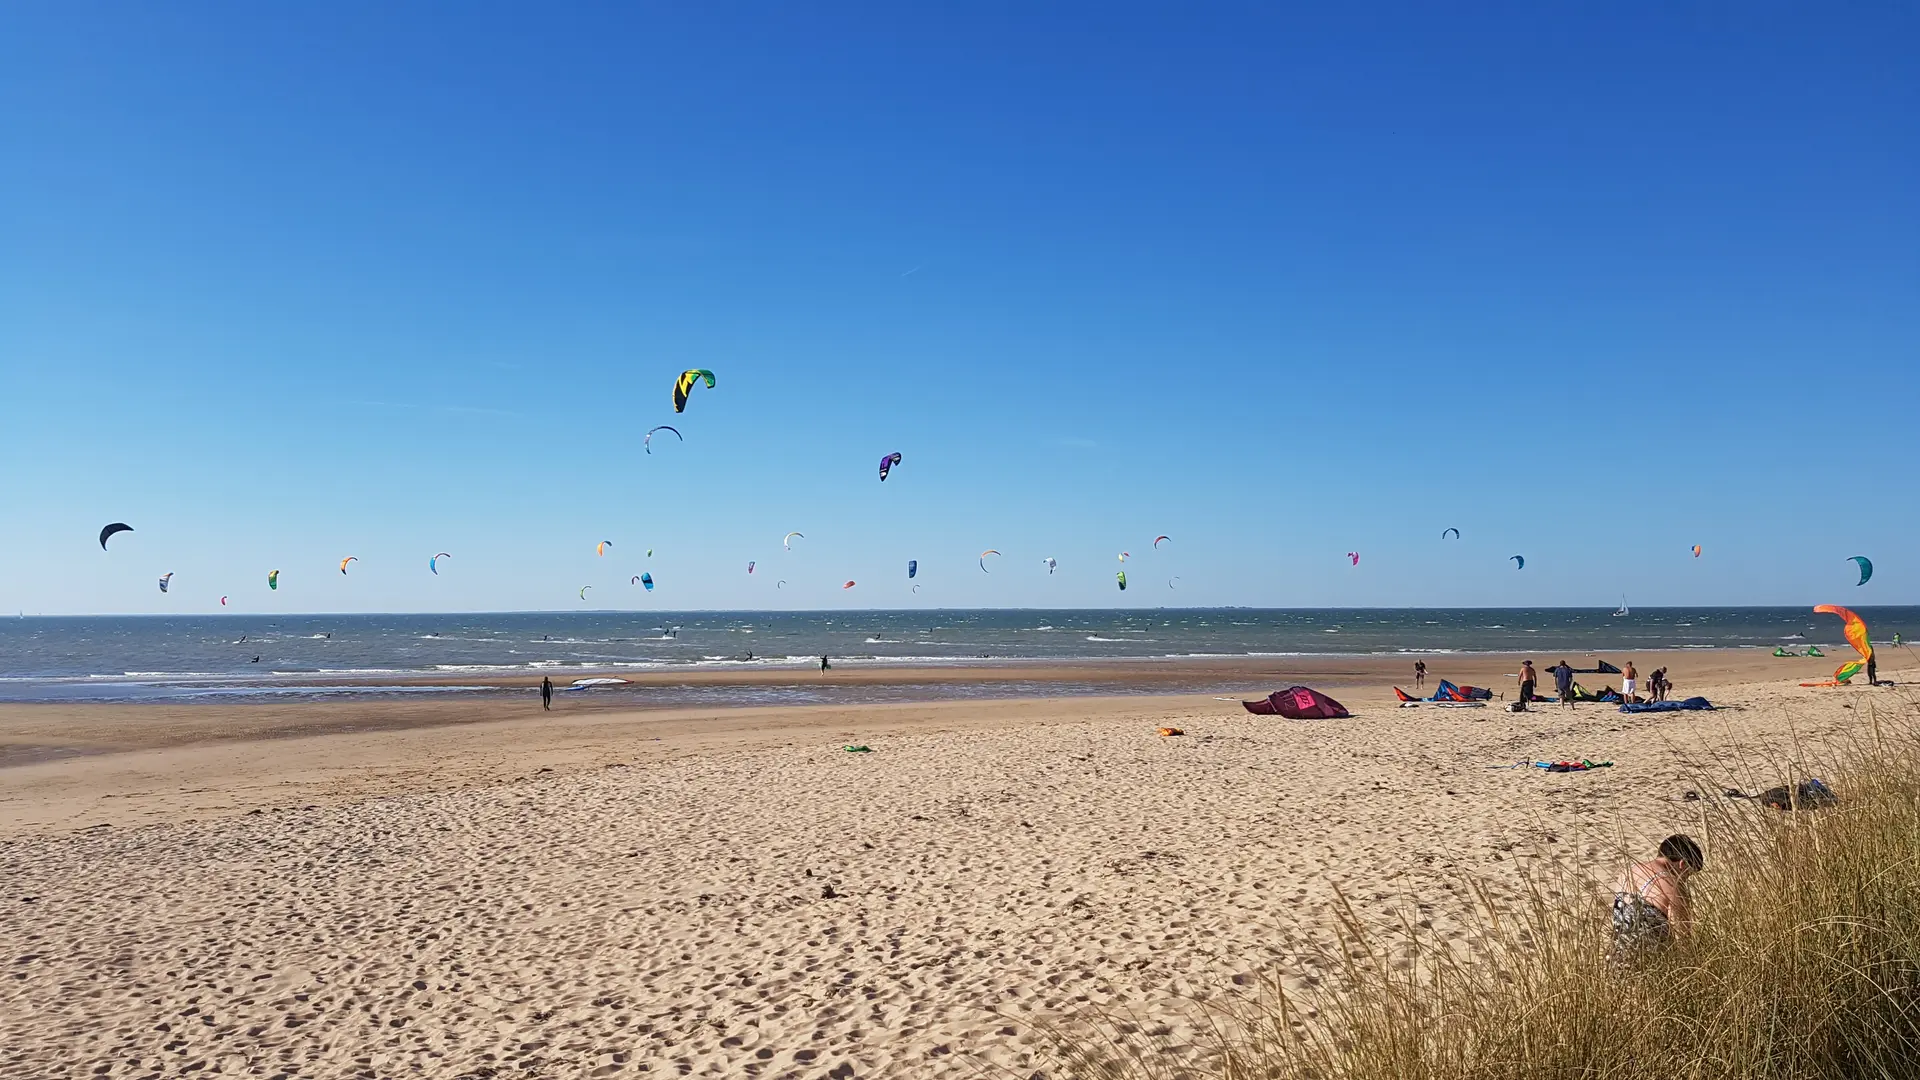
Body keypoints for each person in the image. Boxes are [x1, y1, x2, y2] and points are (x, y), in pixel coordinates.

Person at [1611, 834, 1704, 958]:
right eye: (1688, 874)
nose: (1685, 880)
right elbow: (1683, 939)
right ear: (1682, 864)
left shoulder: (1625, 873)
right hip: (1652, 963)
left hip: (1618, 959)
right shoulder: (1672, 885)